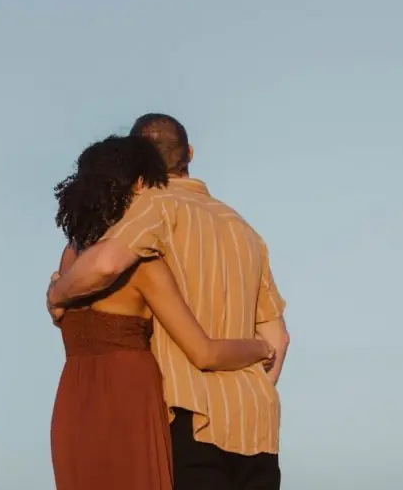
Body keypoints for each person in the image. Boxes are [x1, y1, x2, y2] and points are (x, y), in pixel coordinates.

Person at [48, 114, 290, 490]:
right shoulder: (244, 230)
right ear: (189, 152)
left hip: (184, 415)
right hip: (254, 425)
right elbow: (279, 339)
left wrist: (58, 293)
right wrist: (250, 390)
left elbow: (107, 263)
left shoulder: (150, 208)